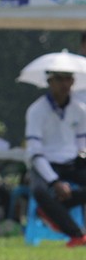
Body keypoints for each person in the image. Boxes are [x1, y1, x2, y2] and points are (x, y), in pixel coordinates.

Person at [24, 69, 86, 248]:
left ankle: (54, 208)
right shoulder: (37, 110)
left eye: (68, 79)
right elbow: (35, 152)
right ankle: (77, 234)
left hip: (71, 162)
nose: (65, 84)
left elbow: (82, 143)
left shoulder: (80, 109)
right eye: (60, 80)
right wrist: (55, 182)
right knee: (40, 191)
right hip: (44, 163)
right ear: (50, 82)